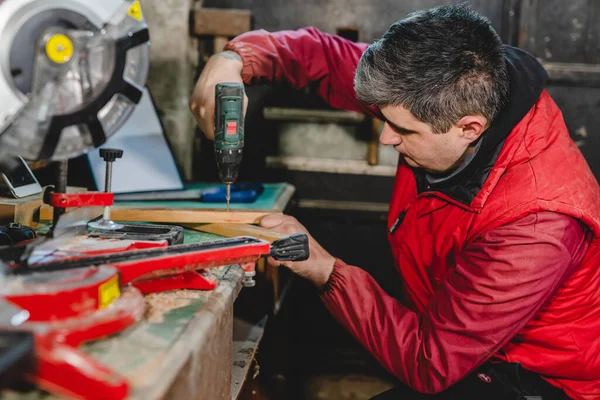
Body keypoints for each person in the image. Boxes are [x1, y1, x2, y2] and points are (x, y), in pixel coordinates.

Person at [190, 4, 600, 399]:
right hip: (462, 343)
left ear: (469, 129)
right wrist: (232, 58)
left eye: (402, 130)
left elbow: (431, 361)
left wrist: (326, 269)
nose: (386, 137)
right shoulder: (440, 89)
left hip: (541, 380)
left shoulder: (535, 226)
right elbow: (317, 54)